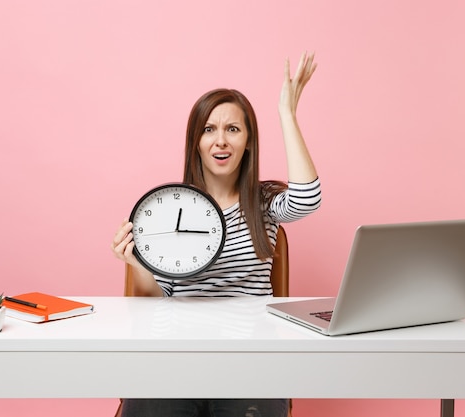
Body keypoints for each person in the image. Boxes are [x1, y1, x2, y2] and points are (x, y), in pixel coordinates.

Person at [111, 52, 321, 417]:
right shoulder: (166, 207)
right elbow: (152, 299)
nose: (220, 141)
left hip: (250, 363)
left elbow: (308, 197)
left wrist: (287, 114)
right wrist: (136, 262)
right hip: (175, 361)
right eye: (209, 130)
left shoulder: (264, 202)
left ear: (248, 142)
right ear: (196, 141)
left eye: (233, 129)